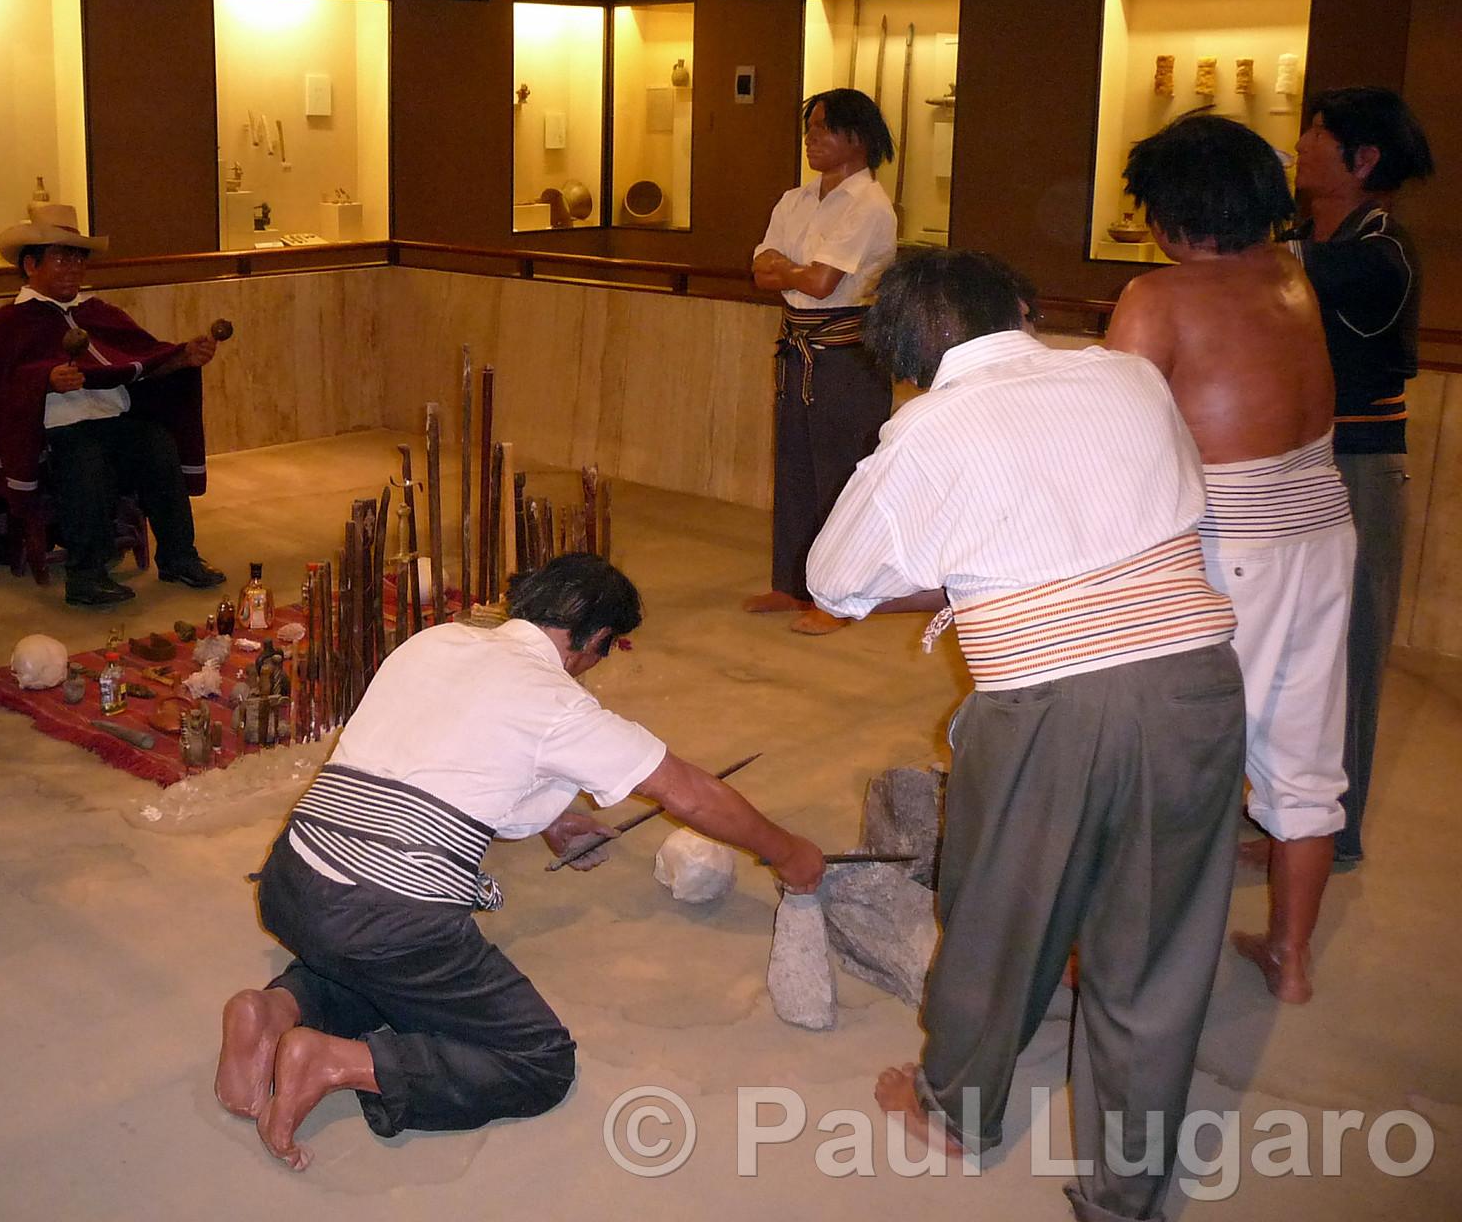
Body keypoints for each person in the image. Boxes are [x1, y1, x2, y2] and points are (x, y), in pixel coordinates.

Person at [807, 250, 1245, 1222]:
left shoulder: (926, 427)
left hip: (1049, 704)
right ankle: (1126, 1199)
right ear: (1018, 304)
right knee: (1156, 947)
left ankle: (956, 1110)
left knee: (996, 913)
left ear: (903, 351)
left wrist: (970, 564)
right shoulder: (1126, 376)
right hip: (1195, 683)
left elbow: (833, 582)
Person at [217, 553, 825, 1170]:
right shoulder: (558, 703)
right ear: (596, 639)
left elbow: (443, 755)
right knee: (537, 1062)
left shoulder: (435, 642)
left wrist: (553, 820)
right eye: (603, 652)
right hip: (383, 917)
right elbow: (690, 792)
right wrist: (791, 853)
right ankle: (334, 1061)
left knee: (388, 970)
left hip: (292, 882)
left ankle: (275, 1009)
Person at [1104, 114, 1352, 1005]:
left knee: (1175, 760)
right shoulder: (1292, 278)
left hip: (1227, 548)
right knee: (1304, 755)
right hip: (1321, 533)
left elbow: (1117, 445)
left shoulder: (1158, 298)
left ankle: (1142, 967)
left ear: (1169, 212)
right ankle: (1290, 957)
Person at [1287, 88, 1436, 867]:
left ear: (1363, 158)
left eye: (1318, 134)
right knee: (1285, 645)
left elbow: (1306, 273)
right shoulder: (1300, 236)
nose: (1303, 144)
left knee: (1351, 646)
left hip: (1360, 466)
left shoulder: (1385, 248)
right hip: (1290, 460)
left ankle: (1332, 835)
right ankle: (1287, 818)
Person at [0, 203, 225, 606]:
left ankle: (180, 557)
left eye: (78, 257)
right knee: (85, 457)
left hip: (114, 422)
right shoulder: (4, 325)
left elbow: (138, 359)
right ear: (30, 264)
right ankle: (86, 576)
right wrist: (45, 381)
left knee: (158, 444)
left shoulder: (99, 313)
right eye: (61, 257)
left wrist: (182, 357)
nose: (73, 267)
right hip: (52, 437)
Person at [745, 88, 898, 635]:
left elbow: (821, 280)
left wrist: (791, 270)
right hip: (799, 347)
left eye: (822, 130)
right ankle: (791, 583)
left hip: (848, 355)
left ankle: (839, 598)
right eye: (809, 129)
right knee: (795, 468)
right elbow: (763, 270)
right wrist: (793, 270)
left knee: (841, 474)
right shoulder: (796, 199)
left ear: (856, 140)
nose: (810, 140)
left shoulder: (870, 205)